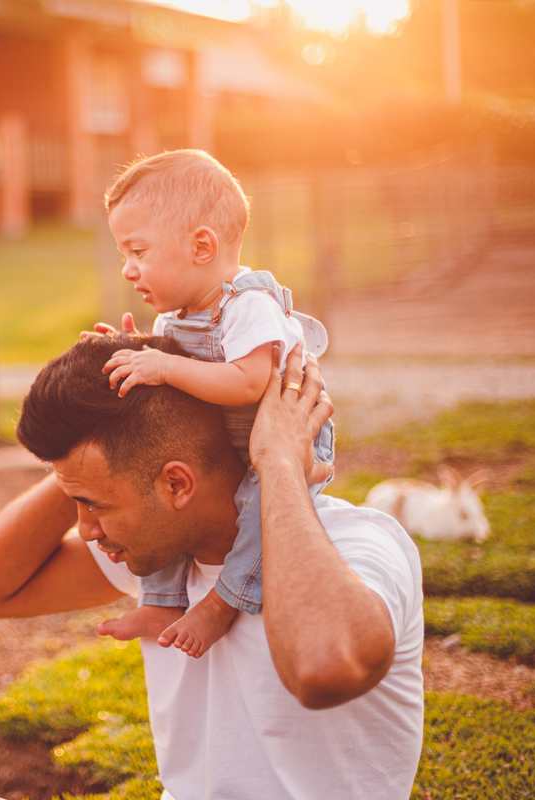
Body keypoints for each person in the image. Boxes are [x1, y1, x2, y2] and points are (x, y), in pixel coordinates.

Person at [0, 336, 425, 800]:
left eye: (94, 505)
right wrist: (94, 438)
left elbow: (324, 670)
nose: (85, 529)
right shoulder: (166, 557)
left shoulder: (360, 545)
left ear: (176, 486)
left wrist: (278, 463)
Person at [91, 150, 335, 657]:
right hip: (222, 442)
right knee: (154, 488)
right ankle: (162, 600)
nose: (129, 270)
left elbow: (247, 383)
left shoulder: (248, 306)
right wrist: (133, 352)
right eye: (123, 255)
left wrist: (164, 366)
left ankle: (225, 603)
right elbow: (176, 380)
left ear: (201, 246)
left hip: (284, 446)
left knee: (257, 508)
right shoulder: (175, 317)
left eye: (138, 251)